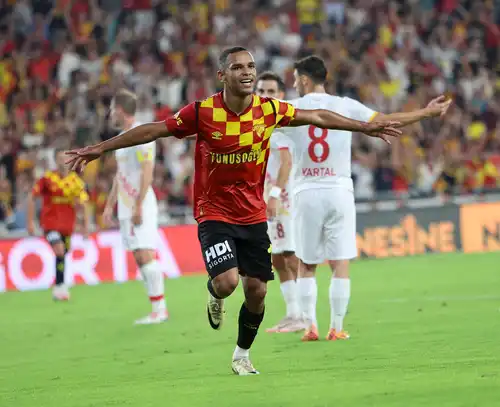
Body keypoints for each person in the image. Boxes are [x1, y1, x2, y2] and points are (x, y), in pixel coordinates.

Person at [65, 46, 402, 375]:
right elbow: (155, 129)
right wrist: (101, 148)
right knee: (227, 283)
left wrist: (363, 126)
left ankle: (242, 354)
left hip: (253, 214)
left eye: (250, 66)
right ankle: (214, 293)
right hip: (214, 210)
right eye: (238, 67)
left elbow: (316, 117)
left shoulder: (269, 110)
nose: (247, 72)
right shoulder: (203, 112)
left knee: (257, 291)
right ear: (222, 75)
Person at [277, 56, 451, 342]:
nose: (294, 84)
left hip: (306, 191)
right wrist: (425, 113)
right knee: (340, 263)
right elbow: (385, 121)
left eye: (296, 79)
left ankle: (311, 328)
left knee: (306, 264)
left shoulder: (290, 108)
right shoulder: (346, 105)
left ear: (305, 79)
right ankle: (336, 327)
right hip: (339, 191)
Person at [102, 89, 168, 325]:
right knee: (139, 257)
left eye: (112, 108)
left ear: (120, 110)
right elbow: (120, 175)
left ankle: (160, 310)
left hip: (140, 202)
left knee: (145, 254)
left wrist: (139, 205)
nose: (110, 113)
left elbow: (148, 170)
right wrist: (109, 205)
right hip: (125, 205)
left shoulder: (142, 134)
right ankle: (156, 308)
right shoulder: (122, 138)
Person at [254, 71, 304, 333]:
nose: (265, 96)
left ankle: (304, 314)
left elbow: (286, 163)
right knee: (277, 257)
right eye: (261, 91)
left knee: (290, 255)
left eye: (271, 92)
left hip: (284, 198)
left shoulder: (280, 126)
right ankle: (293, 313)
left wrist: (274, 195)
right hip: (267, 198)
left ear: (281, 95)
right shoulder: (258, 123)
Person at [27, 148, 90, 301]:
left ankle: (59, 287)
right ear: (55, 161)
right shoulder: (48, 178)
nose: (63, 161)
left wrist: (85, 226)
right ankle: (60, 286)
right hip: (50, 224)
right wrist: (30, 222)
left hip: (67, 226)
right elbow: (32, 197)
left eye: (65, 158)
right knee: (60, 250)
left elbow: (84, 204)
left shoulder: (75, 181)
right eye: (60, 158)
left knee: (62, 254)